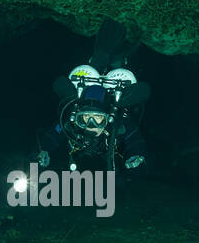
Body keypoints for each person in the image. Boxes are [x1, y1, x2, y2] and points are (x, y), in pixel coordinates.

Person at [35, 19, 151, 173]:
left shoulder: (119, 123)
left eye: (97, 118)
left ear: (108, 117)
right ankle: (114, 50)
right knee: (114, 60)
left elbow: (135, 140)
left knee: (103, 58)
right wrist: (43, 150)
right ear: (77, 116)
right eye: (86, 118)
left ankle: (112, 37)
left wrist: (138, 154)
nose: (91, 124)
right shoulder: (71, 123)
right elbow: (53, 135)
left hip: (103, 83)